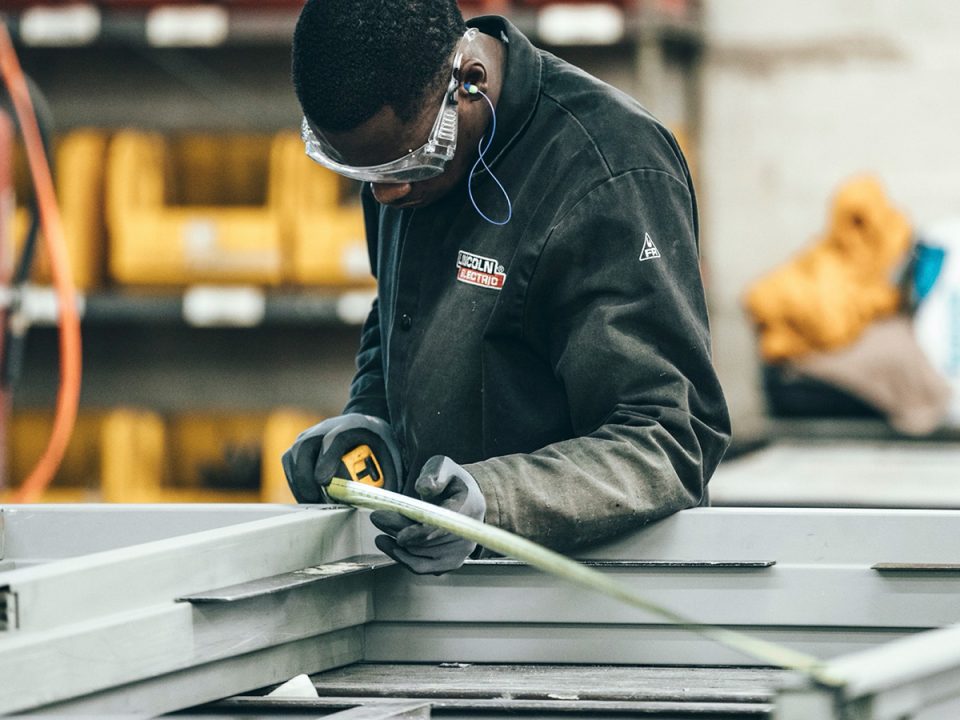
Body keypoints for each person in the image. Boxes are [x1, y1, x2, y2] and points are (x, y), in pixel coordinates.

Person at [282, 0, 731, 575]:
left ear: (468, 82)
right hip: (442, 596)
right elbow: (402, 309)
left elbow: (668, 439)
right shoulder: (401, 155)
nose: (386, 196)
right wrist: (372, 421)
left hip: (582, 607)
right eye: (364, 175)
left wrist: (495, 504)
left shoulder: (610, 171)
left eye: (408, 165)